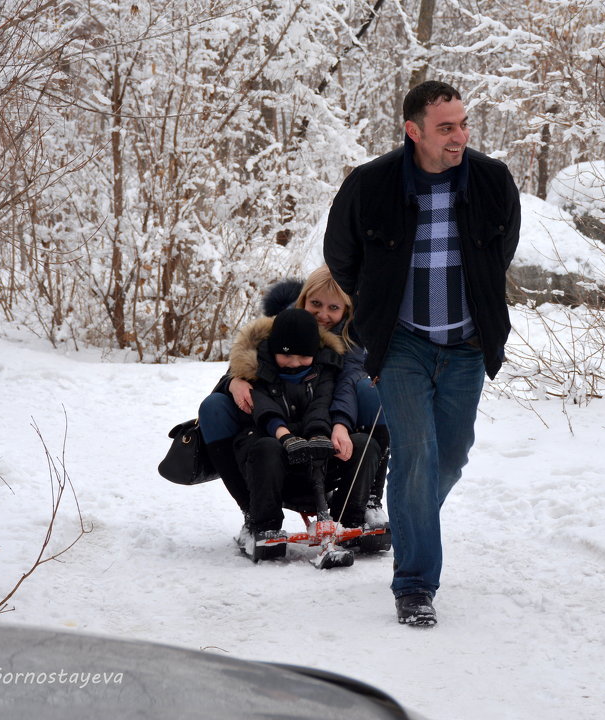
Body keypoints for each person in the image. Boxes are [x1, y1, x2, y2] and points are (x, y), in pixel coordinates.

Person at [324, 80, 521, 625]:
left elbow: (498, 255)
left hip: (466, 344)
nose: (460, 136)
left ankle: (409, 525)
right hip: (403, 343)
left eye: (462, 124)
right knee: (415, 458)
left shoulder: (490, 180)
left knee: (450, 457)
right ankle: (414, 586)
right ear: (414, 132)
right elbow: (341, 258)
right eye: (446, 127)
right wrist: (378, 303)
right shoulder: (370, 184)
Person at [199, 267, 388, 534]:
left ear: (346, 309)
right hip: (274, 433)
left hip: (330, 424)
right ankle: (253, 511)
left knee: (371, 393)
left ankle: (368, 501)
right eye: (315, 304)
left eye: (333, 307)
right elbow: (249, 360)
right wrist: (235, 380)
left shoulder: (351, 337)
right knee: (213, 407)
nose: (323, 314)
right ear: (303, 300)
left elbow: (346, 384)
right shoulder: (279, 326)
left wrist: (341, 425)